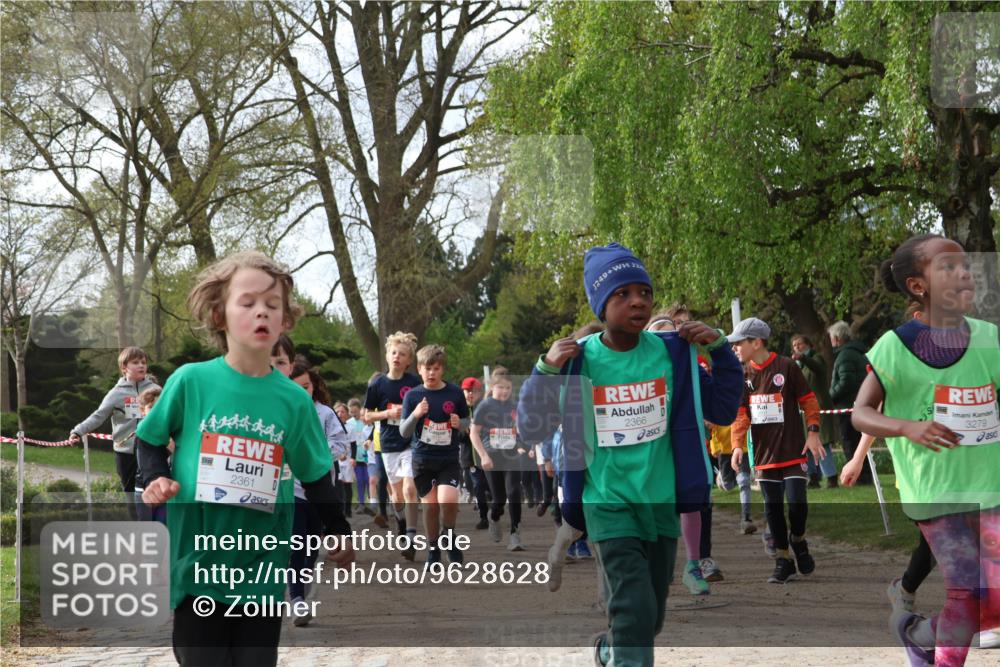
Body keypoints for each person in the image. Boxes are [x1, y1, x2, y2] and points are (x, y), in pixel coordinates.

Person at [517, 243, 743, 666]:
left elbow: (723, 409)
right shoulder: (576, 362)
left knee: (649, 616)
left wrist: (720, 350)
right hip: (607, 502)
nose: (637, 300)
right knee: (634, 609)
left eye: (644, 291)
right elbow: (533, 425)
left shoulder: (673, 354)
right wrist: (544, 369)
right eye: (623, 294)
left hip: (659, 503)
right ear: (601, 305)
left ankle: (608, 649)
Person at [135, 251, 353, 666]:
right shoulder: (191, 381)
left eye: (273, 306)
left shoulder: (293, 400)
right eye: (248, 302)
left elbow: (316, 474)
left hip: (262, 569)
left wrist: (337, 528)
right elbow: (149, 439)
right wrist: (155, 477)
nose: (262, 313)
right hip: (197, 566)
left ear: (285, 321)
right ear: (219, 315)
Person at [852, 234, 999, 667]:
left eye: (966, 265)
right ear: (919, 287)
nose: (965, 272)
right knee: (966, 590)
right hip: (935, 491)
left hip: (990, 485)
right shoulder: (894, 347)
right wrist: (907, 426)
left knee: (991, 603)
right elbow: (861, 413)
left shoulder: (990, 338)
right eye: (949, 267)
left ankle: (917, 633)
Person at [729, 317, 826, 584]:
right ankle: (783, 560)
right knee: (773, 510)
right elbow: (741, 415)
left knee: (797, 504)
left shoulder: (787, 366)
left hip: (793, 451)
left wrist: (814, 431)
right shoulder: (743, 375)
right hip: (765, 456)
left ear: (756, 342)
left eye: (739, 343)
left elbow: (808, 401)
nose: (735, 348)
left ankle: (799, 539)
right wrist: (737, 447)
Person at [399, 344, 469, 564]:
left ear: (442, 370)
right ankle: (433, 549)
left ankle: (448, 535)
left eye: (436, 368)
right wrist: (416, 414)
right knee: (430, 507)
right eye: (427, 368)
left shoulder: (455, 393)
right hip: (423, 459)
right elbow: (403, 431)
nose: (431, 373)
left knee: (448, 500)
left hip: (448, 458)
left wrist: (461, 424)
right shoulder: (413, 396)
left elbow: (467, 422)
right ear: (419, 369)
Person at [70, 346, 159, 518]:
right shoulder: (116, 393)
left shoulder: (155, 389)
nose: (141, 366)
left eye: (144, 362)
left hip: (151, 449)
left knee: (152, 490)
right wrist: (78, 431)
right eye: (135, 362)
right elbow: (98, 416)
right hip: (126, 452)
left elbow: (169, 414)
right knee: (131, 493)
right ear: (124, 367)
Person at [364, 332, 422, 560]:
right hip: (388, 444)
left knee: (409, 490)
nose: (397, 357)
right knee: (397, 495)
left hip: (411, 443)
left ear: (409, 361)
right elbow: (366, 416)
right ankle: (401, 521)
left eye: (403, 354)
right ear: (387, 356)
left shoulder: (414, 383)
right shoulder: (378, 384)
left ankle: (410, 536)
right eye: (394, 353)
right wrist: (388, 413)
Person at [471, 366, 530, 551]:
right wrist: (483, 456)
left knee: (514, 493)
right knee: (499, 499)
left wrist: (522, 445)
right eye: (501, 387)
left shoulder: (515, 406)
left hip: (511, 455)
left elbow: (521, 429)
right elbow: (474, 433)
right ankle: (493, 516)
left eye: (508, 388)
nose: (504, 391)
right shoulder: (485, 406)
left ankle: (515, 534)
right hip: (492, 457)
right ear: (492, 387)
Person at [791, 334, 839, 488]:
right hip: (805, 409)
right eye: (794, 345)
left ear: (808, 345)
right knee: (807, 443)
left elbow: (817, 368)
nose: (797, 347)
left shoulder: (817, 358)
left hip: (819, 408)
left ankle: (831, 478)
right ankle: (813, 477)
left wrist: (803, 359)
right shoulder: (798, 365)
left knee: (822, 442)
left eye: (800, 344)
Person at [829, 320, 872, 484]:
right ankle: (866, 475)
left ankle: (857, 477)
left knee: (850, 441)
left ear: (837, 338)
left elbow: (847, 381)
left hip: (847, 406)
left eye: (832, 338)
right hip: (861, 403)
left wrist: (830, 396)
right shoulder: (859, 352)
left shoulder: (844, 355)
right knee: (861, 442)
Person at [458, 377, 490, 529]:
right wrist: (465, 432)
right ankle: (484, 516)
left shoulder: (485, 409)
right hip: (469, 457)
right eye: (467, 391)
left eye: (474, 391)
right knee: (475, 485)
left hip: (487, 453)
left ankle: (491, 509)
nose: (470, 394)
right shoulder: (459, 411)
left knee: (489, 485)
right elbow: (456, 436)